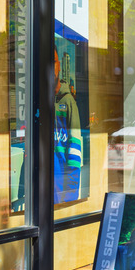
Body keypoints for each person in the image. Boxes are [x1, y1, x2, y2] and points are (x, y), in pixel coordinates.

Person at [54, 47, 83, 204]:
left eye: (53, 62)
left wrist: (70, 192)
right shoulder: (39, 100)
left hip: (61, 188)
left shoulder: (68, 102)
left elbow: (75, 148)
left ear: (59, 64)